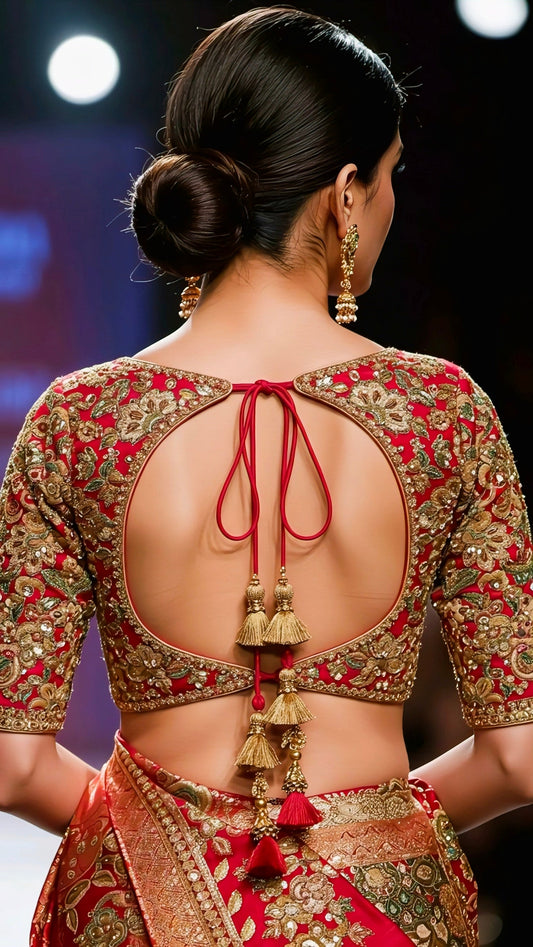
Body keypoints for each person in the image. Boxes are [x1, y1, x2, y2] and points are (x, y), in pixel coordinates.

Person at [1, 6, 533, 945]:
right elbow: (517, 760)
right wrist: (361, 833)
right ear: (342, 192)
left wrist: (162, 838)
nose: (390, 201)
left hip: (133, 913)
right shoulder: (445, 414)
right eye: (391, 174)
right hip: (382, 908)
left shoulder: (76, 421)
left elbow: (12, 765)